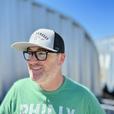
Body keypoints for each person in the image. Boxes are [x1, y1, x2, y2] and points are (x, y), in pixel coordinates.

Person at [0, 28, 106, 114]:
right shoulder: (18, 90)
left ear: (61, 59)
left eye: (41, 53)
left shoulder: (83, 98)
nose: (32, 61)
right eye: (30, 53)